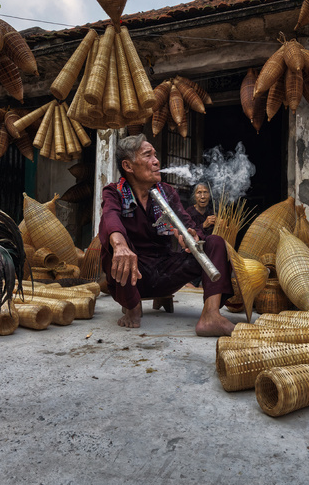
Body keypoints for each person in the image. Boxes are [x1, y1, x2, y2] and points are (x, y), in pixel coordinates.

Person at [98, 134, 236, 336]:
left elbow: (190, 225)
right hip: (132, 277)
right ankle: (132, 306)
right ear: (128, 166)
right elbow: (110, 217)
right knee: (114, 244)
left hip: (166, 272)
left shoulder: (167, 192)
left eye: (155, 155)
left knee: (214, 242)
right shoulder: (114, 192)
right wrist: (119, 245)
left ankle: (211, 316)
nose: (156, 161)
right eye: (148, 156)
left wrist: (191, 236)